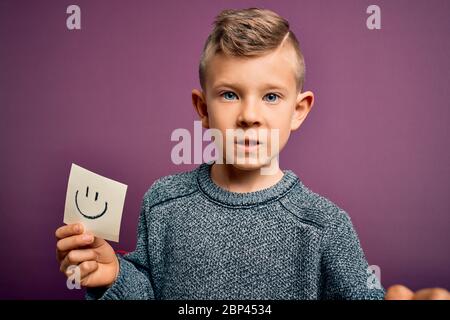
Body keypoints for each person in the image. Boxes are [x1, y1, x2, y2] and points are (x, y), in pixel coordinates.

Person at [55, 8, 449, 300]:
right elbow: (145, 291)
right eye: (229, 94)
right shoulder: (163, 204)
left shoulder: (325, 225)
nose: (249, 116)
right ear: (203, 108)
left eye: (271, 96)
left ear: (299, 110)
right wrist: (114, 276)